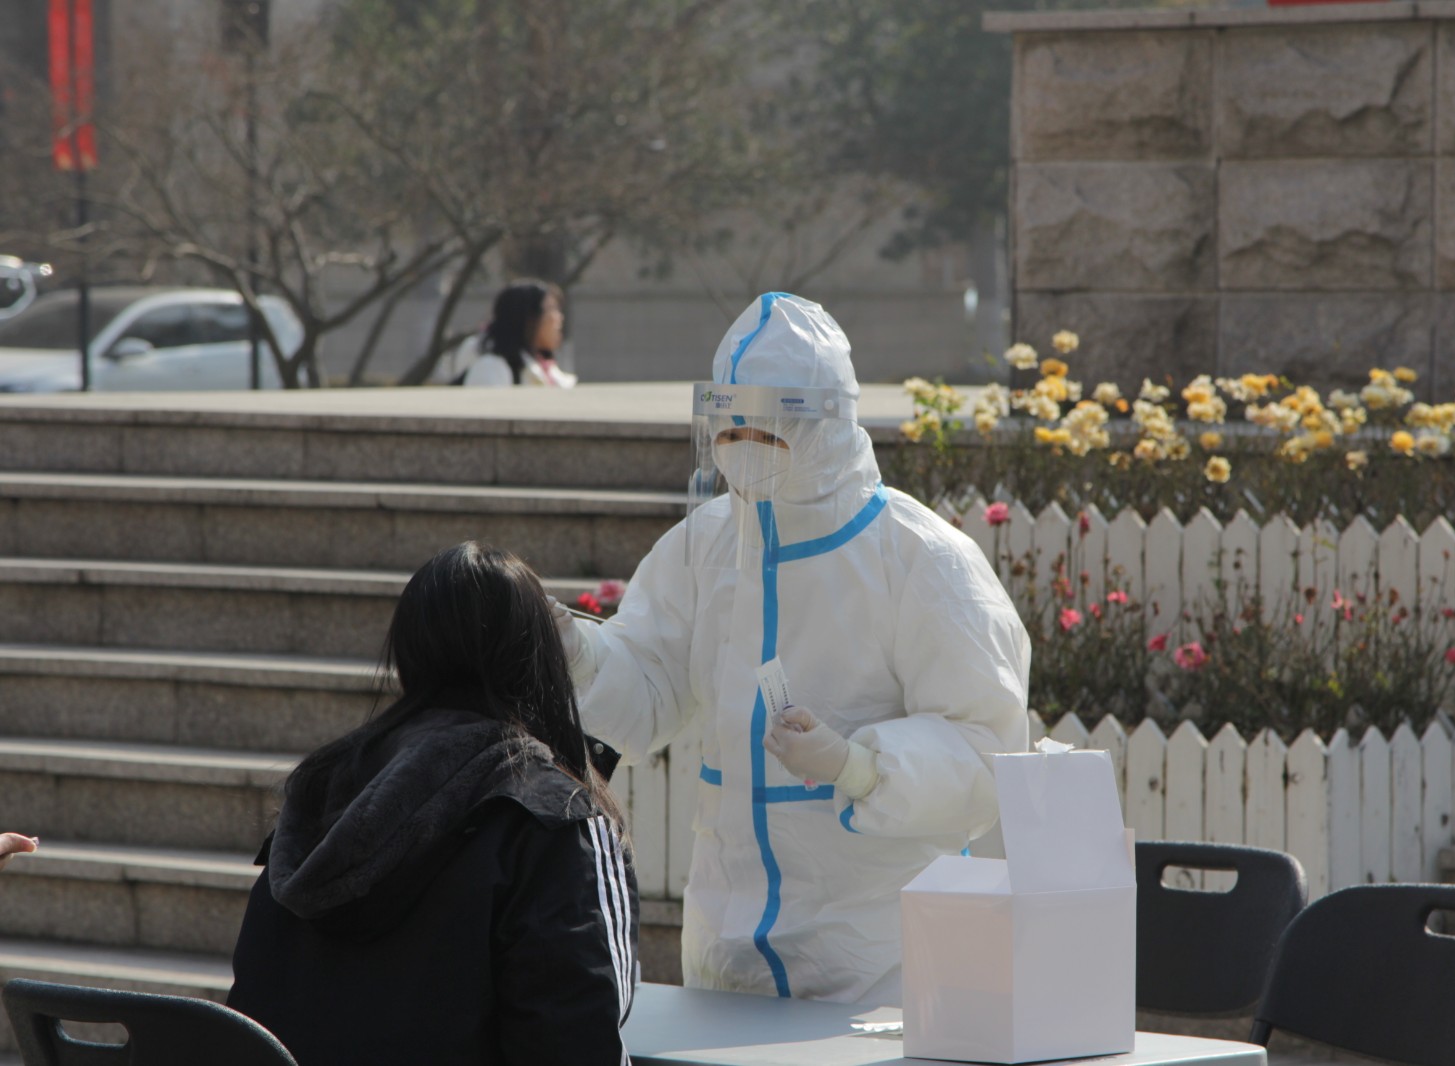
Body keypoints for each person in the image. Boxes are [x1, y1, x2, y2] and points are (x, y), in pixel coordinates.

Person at [555, 292, 1030, 1006]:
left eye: (766, 429)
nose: (742, 447)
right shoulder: (705, 544)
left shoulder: (923, 561)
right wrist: (577, 651)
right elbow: (650, 690)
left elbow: (988, 749)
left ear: (826, 424)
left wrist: (860, 767)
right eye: (730, 428)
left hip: (877, 967)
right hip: (726, 958)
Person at [228, 542, 636, 1066]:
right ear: (538, 655)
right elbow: (580, 1041)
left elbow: (255, 1005)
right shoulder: (555, 815)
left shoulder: (324, 787)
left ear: (408, 651)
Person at [452, 279, 576, 388]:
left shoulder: (548, 371)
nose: (559, 318)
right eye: (551, 309)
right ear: (527, 318)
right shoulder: (491, 368)